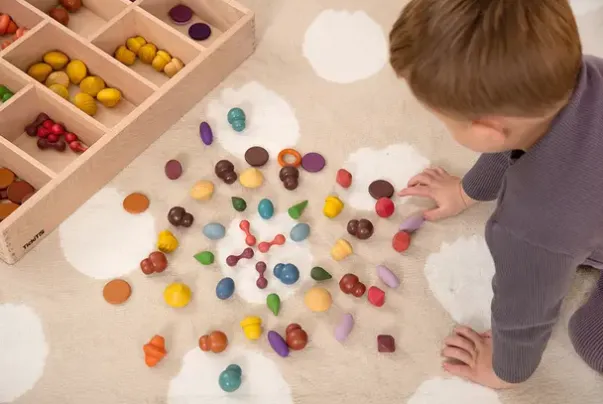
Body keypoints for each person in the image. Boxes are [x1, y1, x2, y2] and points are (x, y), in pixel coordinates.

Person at [389, 0, 603, 389]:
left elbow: (526, 307)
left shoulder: (532, 228)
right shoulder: (585, 72)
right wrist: (466, 192)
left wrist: (506, 369)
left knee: (593, 340)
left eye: (445, 120)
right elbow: (515, 141)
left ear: (487, 131)